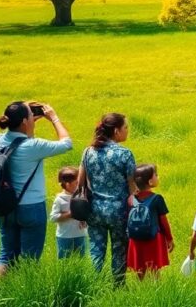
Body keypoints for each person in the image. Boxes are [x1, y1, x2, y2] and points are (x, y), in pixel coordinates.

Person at [0, 101, 73, 275]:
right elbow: (67, 143)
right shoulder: (34, 146)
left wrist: (27, 124)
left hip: (3, 205)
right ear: (25, 122)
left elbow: (20, 142)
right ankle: (25, 294)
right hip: (31, 207)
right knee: (30, 259)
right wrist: (54, 118)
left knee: (5, 255)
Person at [79, 112, 136, 283]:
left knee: (96, 250)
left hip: (94, 210)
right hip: (119, 212)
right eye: (126, 128)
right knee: (119, 250)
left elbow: (80, 182)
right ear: (117, 131)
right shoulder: (125, 154)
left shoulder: (89, 151)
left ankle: (92, 285)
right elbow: (132, 187)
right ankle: (118, 286)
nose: (127, 131)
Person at [126, 164, 174, 278]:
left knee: (140, 266)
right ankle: (155, 289)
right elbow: (163, 221)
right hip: (153, 238)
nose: (158, 176)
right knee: (154, 268)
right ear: (150, 182)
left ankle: (141, 289)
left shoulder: (131, 199)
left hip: (135, 239)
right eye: (156, 175)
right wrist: (169, 238)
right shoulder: (157, 199)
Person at [50, 166, 87, 259]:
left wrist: (84, 220)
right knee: (64, 261)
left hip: (80, 235)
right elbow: (53, 217)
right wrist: (70, 214)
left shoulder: (81, 196)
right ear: (67, 184)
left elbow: (85, 213)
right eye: (76, 183)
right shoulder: (60, 199)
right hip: (65, 236)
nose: (79, 185)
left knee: (81, 260)